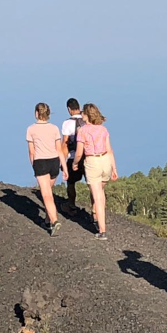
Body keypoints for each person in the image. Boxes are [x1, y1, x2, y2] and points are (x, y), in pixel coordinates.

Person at [73, 103, 117, 240]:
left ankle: (102, 230)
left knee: (97, 196)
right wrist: (114, 168)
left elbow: (79, 152)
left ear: (85, 115)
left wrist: (75, 163)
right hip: (105, 161)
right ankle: (97, 214)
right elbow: (109, 150)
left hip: (92, 162)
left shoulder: (83, 131)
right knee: (101, 193)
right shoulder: (103, 129)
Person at [26, 102, 67, 237]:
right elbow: (59, 150)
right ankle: (47, 220)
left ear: (36, 113)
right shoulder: (54, 128)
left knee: (46, 194)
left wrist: (34, 167)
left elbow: (32, 152)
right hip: (54, 162)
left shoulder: (31, 129)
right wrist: (64, 168)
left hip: (41, 162)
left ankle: (54, 222)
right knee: (49, 192)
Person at [60, 98, 85, 215]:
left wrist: (62, 161)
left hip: (72, 157)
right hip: (87, 157)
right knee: (92, 184)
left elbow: (65, 143)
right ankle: (95, 210)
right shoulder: (87, 121)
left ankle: (71, 205)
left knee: (70, 183)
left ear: (69, 109)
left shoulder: (67, 123)